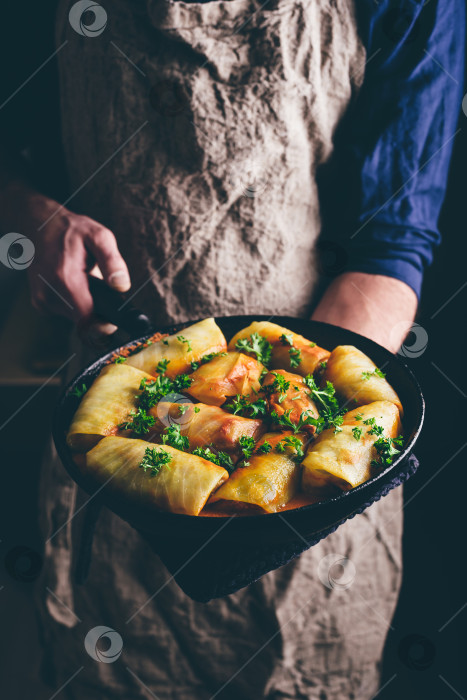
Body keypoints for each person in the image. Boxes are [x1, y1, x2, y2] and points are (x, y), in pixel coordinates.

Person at [0, 0, 463, 697]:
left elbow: (392, 241)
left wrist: (294, 442)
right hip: (110, 441)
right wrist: (30, 214)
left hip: (313, 474)